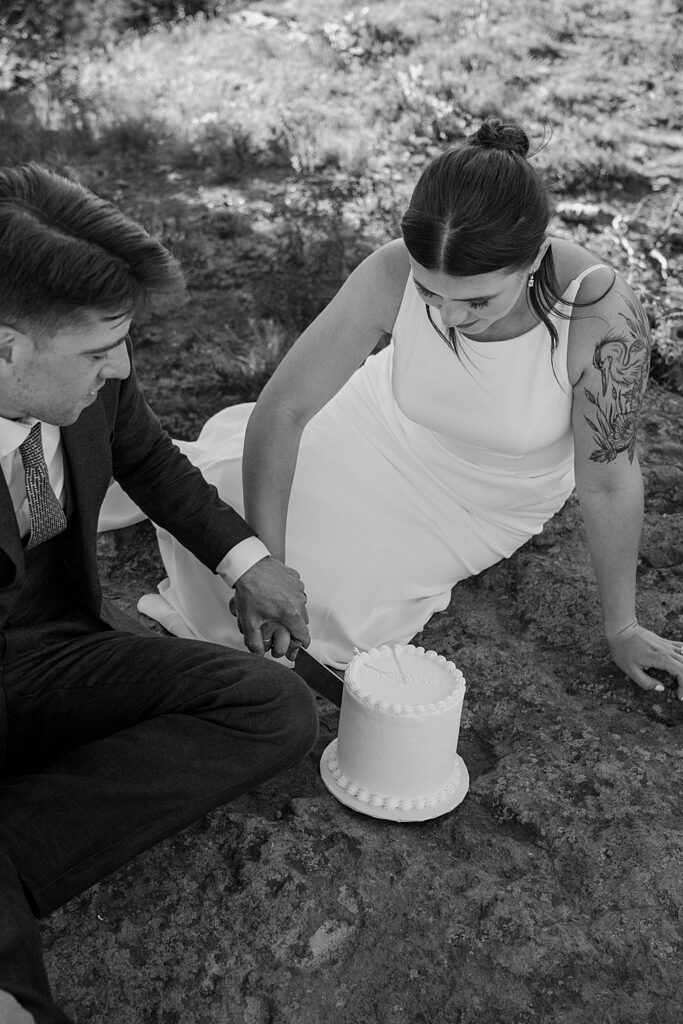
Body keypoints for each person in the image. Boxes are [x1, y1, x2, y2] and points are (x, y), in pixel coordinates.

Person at [100, 119, 683, 697]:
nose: (449, 317)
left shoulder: (603, 319)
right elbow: (284, 410)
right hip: (377, 424)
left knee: (334, 602)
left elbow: (608, 484)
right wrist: (265, 567)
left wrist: (623, 627)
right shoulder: (391, 268)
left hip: (479, 498)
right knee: (225, 512)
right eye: (431, 293)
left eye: (477, 300)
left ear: (533, 260)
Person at [0, 164, 319, 1024]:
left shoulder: (92, 373)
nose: (121, 367)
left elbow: (146, 457)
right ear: (6, 346)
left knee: (274, 705)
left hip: (55, 647)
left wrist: (247, 562)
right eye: (99, 352)